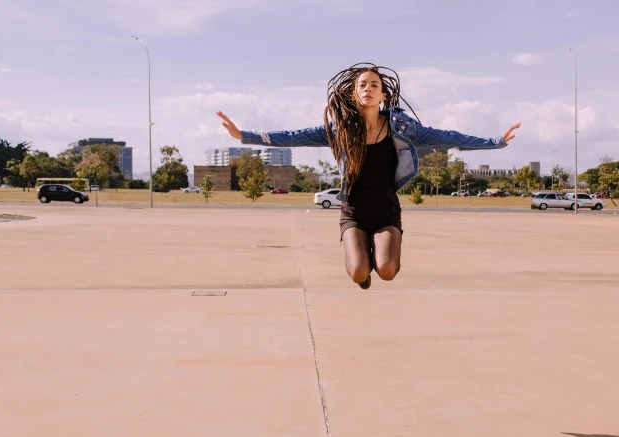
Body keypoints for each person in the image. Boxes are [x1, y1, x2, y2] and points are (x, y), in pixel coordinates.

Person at [216, 63, 520, 290]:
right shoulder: (340, 130)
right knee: (360, 273)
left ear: (383, 94)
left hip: (387, 211)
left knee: (387, 271)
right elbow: (295, 136)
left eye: (374, 84)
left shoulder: (403, 128)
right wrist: (244, 135)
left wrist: (494, 141)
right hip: (354, 214)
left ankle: (378, 250)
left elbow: (446, 135)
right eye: (363, 85)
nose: (368, 89)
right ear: (354, 93)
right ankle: (361, 257)